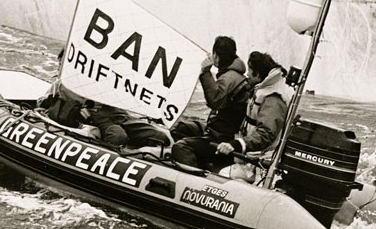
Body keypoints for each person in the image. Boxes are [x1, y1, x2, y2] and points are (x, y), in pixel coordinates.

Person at [37, 49, 171, 148]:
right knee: (118, 136)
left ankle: (137, 149)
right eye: (61, 63)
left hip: (118, 113)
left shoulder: (101, 78)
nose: (61, 67)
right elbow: (42, 102)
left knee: (160, 137)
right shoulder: (62, 84)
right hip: (96, 117)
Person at [170, 36, 251, 169]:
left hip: (221, 139)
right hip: (216, 130)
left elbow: (214, 101)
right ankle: (203, 164)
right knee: (181, 129)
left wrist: (205, 72)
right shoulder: (234, 75)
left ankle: (194, 178)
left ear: (216, 57)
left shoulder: (229, 78)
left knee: (181, 147)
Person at [216, 52, 294, 182]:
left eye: (250, 71)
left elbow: (266, 134)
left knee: (224, 176)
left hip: (263, 163)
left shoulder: (273, 98)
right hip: (252, 157)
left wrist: (238, 144)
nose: (247, 75)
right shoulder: (263, 90)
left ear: (258, 75)